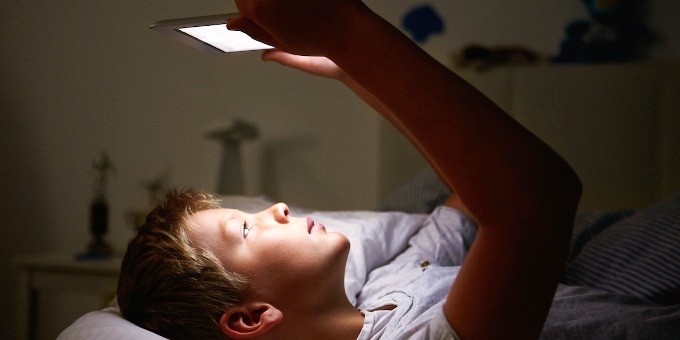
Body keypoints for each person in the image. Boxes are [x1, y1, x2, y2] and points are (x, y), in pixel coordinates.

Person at [117, 1, 582, 339]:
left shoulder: (386, 283)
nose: (275, 208)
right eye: (245, 227)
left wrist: (350, 69)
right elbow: (535, 205)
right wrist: (346, 28)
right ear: (251, 317)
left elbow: (474, 197)